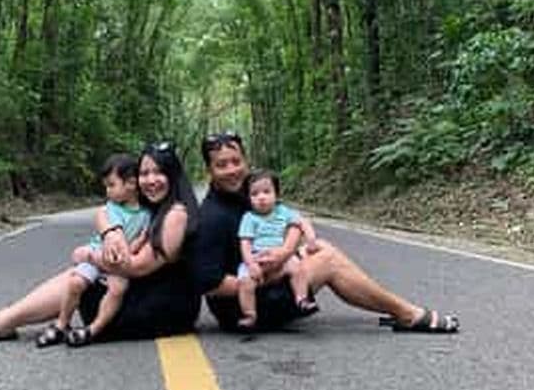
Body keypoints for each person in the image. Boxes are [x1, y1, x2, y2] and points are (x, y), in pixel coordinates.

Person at [196, 132, 459, 334]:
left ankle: (399, 309)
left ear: (246, 161)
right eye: (222, 165)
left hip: (269, 273)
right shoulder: (212, 216)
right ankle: (407, 314)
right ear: (209, 170)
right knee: (328, 262)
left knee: (320, 247)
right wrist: (269, 273)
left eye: (236, 161)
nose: (232, 170)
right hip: (243, 307)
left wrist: (286, 252)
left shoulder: (250, 194)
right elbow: (211, 286)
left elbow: (291, 223)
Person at [0, 142, 200, 344]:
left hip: (161, 309)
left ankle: (5, 321)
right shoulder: (152, 205)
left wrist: (89, 255)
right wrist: (111, 233)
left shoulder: (176, 215)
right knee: (81, 276)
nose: (151, 180)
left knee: (82, 275)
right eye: (144, 173)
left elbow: (137, 267)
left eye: (159, 173)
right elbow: (106, 211)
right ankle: (5, 318)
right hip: (144, 294)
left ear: (174, 176)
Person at [34, 152, 151, 349]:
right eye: (106, 186)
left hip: (122, 263)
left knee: (118, 289)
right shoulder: (111, 208)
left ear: (131, 183)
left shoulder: (146, 213)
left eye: (111, 185)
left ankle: (94, 328)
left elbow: (142, 238)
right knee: (75, 282)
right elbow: (113, 235)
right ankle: (61, 323)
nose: (107, 191)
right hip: (98, 254)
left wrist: (129, 251)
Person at [236, 168, 320, 330]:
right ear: (248, 198)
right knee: (245, 282)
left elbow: (303, 222)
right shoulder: (249, 218)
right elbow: (245, 243)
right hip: (256, 257)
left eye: (266, 192)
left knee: (297, 267)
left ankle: (301, 299)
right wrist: (251, 263)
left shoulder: (284, 212)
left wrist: (311, 239)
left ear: (276, 194)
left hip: (282, 256)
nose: (261, 197)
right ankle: (249, 314)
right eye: (254, 194)